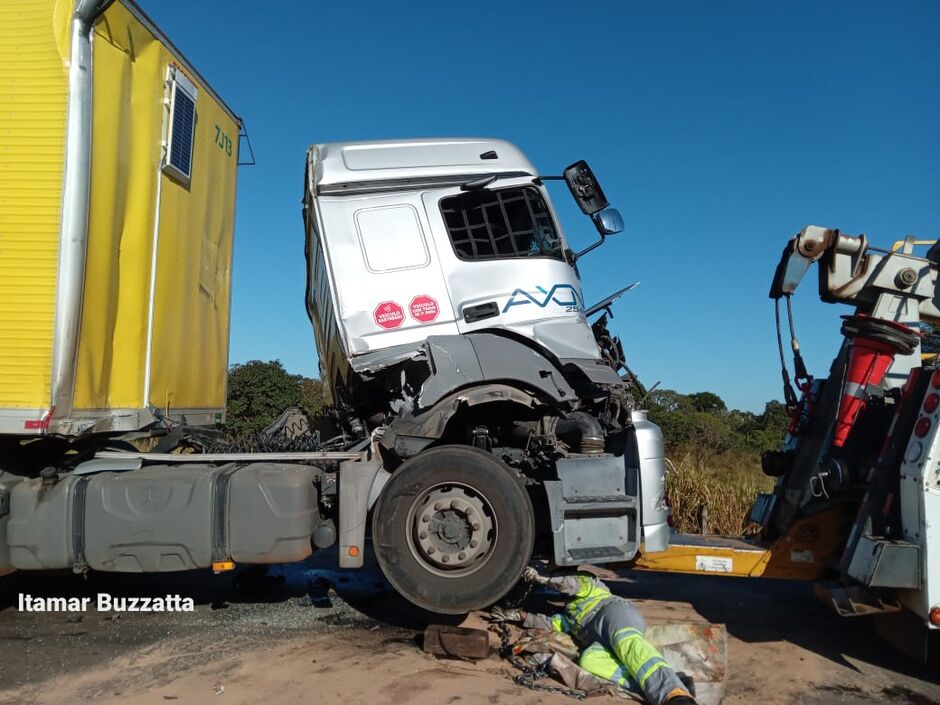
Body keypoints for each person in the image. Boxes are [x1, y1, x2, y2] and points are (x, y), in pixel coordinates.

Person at [494, 567, 696, 705]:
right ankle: (662, 684)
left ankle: (674, 695)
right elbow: (553, 623)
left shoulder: (587, 581)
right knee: (589, 661)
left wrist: (544, 579)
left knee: (629, 646)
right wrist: (519, 616)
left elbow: (570, 584)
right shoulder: (570, 611)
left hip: (613, 614)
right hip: (597, 639)